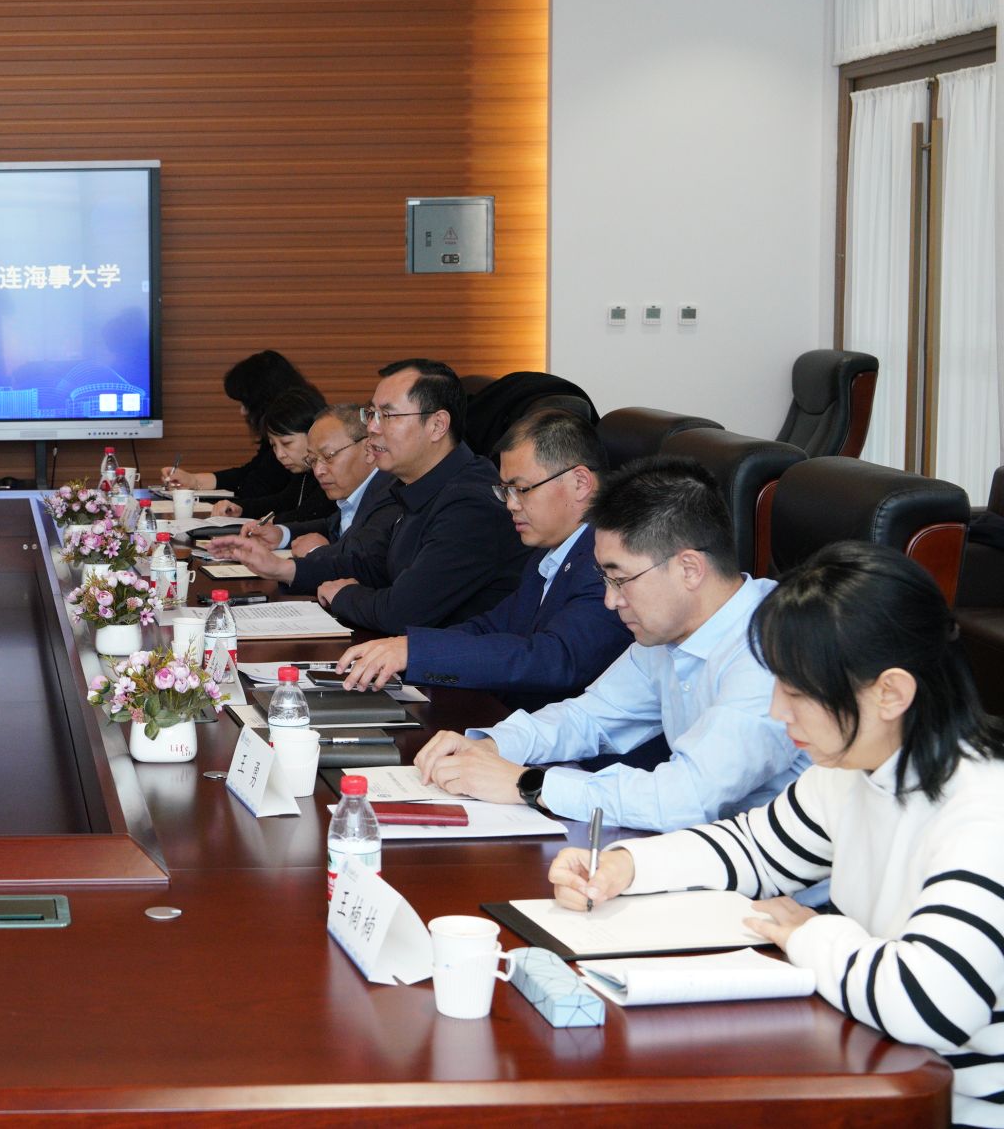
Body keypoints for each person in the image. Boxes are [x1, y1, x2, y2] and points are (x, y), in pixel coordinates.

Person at [548, 542, 1004, 1127]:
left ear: (890, 693)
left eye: (797, 691)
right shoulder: (856, 770)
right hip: (869, 1069)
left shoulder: (984, 813)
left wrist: (812, 934)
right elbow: (752, 848)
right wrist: (625, 866)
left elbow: (932, 1005)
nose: (777, 710)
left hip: (955, 1108)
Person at [413, 456, 810, 831]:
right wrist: (492, 745)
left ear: (689, 568)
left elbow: (687, 797)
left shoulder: (772, 649)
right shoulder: (667, 633)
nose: (610, 600)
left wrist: (528, 784)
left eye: (620, 580)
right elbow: (588, 718)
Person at [336, 408, 630, 711]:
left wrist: (417, 652)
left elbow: (553, 659)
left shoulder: (611, 562)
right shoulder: (549, 553)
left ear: (580, 482)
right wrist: (404, 648)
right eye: (506, 491)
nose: (511, 505)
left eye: (521, 489)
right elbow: (492, 626)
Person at [205, 358, 526, 634]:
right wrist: (282, 569)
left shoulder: (471, 503)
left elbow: (403, 610)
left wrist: (344, 595)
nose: (372, 428)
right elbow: (372, 563)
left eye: (387, 416)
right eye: (371, 414)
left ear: (437, 425)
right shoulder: (413, 484)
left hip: (458, 678)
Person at [223, 403, 398, 558]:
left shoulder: (391, 495)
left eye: (328, 456)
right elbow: (331, 526)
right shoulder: (357, 492)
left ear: (368, 450)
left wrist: (318, 552)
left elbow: (369, 561)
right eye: (312, 460)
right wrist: (281, 534)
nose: (318, 471)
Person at [161, 350, 317, 515]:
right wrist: (194, 480)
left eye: (247, 403)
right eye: (274, 445)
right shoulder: (290, 447)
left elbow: (258, 486)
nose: (243, 411)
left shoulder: (308, 461)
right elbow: (254, 473)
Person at [216, 386, 337, 534]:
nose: (279, 454)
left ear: (313, 432)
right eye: (273, 445)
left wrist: (275, 522)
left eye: (286, 443)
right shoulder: (304, 471)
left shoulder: (331, 472)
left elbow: (312, 514)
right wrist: (241, 509)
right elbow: (284, 501)